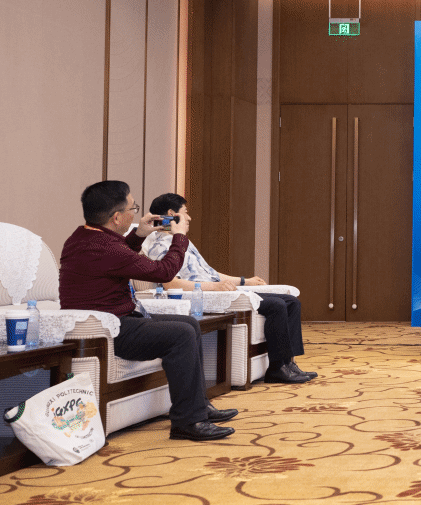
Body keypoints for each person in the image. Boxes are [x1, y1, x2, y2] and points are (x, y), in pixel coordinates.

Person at [58, 181, 235, 441]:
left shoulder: (82, 237)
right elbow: (164, 272)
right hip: (108, 329)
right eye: (133, 208)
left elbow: (118, 257)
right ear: (117, 217)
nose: (135, 214)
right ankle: (188, 421)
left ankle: (198, 406)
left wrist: (138, 234)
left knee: (189, 324)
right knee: (182, 334)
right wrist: (179, 237)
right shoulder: (105, 247)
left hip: (112, 320)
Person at [142, 193, 316, 385]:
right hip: (202, 295)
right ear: (171, 214)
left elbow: (211, 272)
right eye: (186, 212)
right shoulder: (159, 244)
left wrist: (244, 281)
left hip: (216, 289)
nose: (189, 217)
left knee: (291, 302)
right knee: (276, 305)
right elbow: (170, 283)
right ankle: (277, 368)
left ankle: (288, 364)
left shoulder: (182, 241)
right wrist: (214, 287)